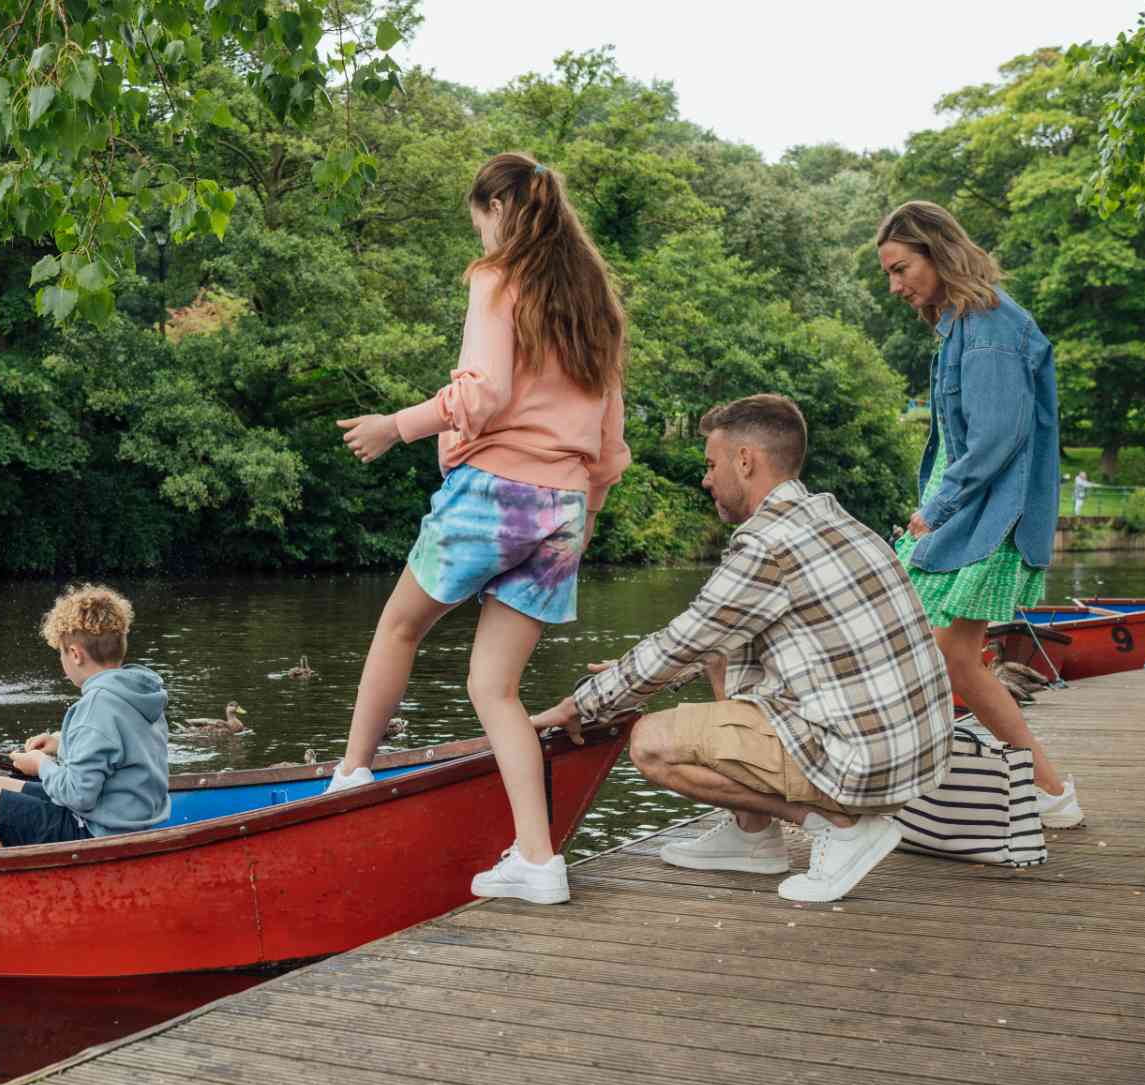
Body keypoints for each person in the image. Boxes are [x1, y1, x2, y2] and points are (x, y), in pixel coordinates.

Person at [329, 151, 631, 907]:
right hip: (563, 509)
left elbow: (484, 391)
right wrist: (586, 518)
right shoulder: (596, 303)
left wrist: (396, 426)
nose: (482, 237)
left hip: (496, 493)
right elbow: (609, 443)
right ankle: (539, 859)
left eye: (480, 222)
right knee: (495, 686)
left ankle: (352, 772)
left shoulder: (498, 277)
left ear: (497, 209)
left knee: (400, 627)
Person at [532, 395, 954, 903]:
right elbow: (710, 639)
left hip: (864, 763)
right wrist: (643, 672)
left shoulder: (768, 544)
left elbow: (682, 641)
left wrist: (582, 705)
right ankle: (751, 835)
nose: (705, 479)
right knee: (720, 651)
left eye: (712, 465)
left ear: (746, 461)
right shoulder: (831, 518)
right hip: (912, 752)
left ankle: (838, 828)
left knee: (651, 742)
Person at [877, 200, 1081, 828]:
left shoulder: (990, 327)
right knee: (936, 651)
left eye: (901, 269)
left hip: (983, 513)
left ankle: (1045, 791)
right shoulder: (964, 324)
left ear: (938, 252)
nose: (895, 286)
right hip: (967, 509)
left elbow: (996, 439)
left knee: (942, 653)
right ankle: (1001, 787)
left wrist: (937, 507)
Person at [0, 585, 168, 851]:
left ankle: (7, 876)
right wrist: (61, 743)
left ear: (76, 654)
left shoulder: (96, 705)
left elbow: (78, 796)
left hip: (95, 831)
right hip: (125, 820)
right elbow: (118, 747)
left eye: (61, 652)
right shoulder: (138, 691)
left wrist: (41, 764)